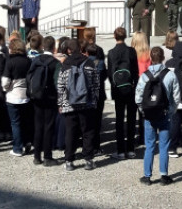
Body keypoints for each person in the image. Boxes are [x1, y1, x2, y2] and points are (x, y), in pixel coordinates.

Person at [136, 46, 180, 186]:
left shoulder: (144, 76)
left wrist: (144, 111)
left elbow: (138, 98)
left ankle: (147, 176)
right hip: (164, 114)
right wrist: (171, 111)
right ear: (163, 58)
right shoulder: (170, 75)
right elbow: (176, 97)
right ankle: (164, 175)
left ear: (151, 58)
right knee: (164, 145)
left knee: (149, 145)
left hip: (149, 116)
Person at [56, 38, 100, 172]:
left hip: (69, 104)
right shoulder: (89, 62)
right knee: (88, 131)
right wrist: (95, 100)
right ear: (80, 49)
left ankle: (69, 161)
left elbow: (61, 86)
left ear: (69, 50)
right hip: (87, 103)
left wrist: (60, 103)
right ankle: (88, 160)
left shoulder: (65, 64)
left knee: (71, 132)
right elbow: (96, 84)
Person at [27, 35, 60, 167]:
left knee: (38, 126)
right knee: (49, 126)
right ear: (53, 47)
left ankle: (36, 156)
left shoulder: (36, 60)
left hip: (37, 97)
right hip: (50, 98)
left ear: (43, 46)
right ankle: (47, 156)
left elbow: (29, 76)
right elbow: (57, 83)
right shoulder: (55, 62)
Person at [107, 27, 138, 160]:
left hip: (118, 88)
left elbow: (110, 73)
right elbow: (135, 70)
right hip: (130, 87)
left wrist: (114, 84)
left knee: (119, 119)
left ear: (115, 36)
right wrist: (135, 84)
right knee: (131, 118)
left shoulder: (111, 52)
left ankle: (120, 150)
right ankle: (130, 149)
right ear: (125, 36)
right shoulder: (131, 51)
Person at [2, 38, 32, 157]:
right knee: (25, 121)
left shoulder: (10, 62)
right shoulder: (28, 61)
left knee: (15, 123)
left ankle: (17, 148)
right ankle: (27, 142)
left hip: (13, 96)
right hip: (26, 95)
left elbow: (5, 82)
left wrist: (6, 89)